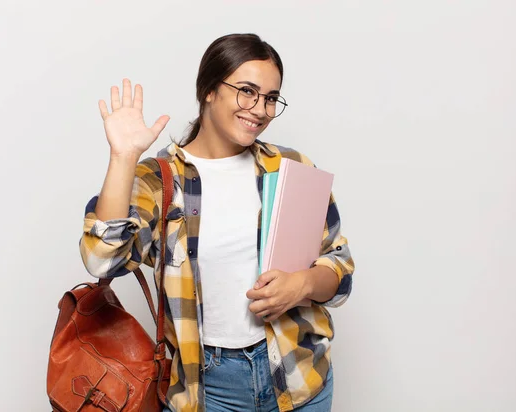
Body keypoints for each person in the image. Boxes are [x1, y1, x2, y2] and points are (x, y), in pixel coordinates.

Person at [79, 33, 355, 412]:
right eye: (247, 91)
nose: (259, 109)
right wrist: (123, 157)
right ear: (209, 90)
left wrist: (303, 283)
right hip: (208, 388)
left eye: (271, 98)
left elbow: (339, 268)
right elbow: (101, 260)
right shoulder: (160, 180)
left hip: (298, 375)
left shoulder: (291, 168)